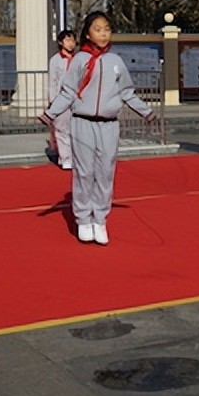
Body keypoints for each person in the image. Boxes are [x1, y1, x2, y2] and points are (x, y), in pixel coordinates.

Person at [41, 12, 156, 245]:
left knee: (105, 173)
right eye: (97, 29)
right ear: (87, 33)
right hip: (82, 123)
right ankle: (83, 219)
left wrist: (145, 111)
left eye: (106, 28)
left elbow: (127, 92)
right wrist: (50, 113)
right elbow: (69, 92)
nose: (103, 33)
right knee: (84, 172)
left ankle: (100, 219)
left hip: (109, 125)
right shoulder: (79, 61)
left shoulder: (116, 62)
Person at [47, 29, 77, 170]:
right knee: (62, 129)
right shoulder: (56, 60)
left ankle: (73, 156)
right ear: (61, 42)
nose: (70, 44)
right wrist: (53, 101)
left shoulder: (78, 59)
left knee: (75, 129)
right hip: (61, 98)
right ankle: (65, 157)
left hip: (76, 98)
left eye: (72, 40)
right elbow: (53, 81)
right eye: (67, 40)